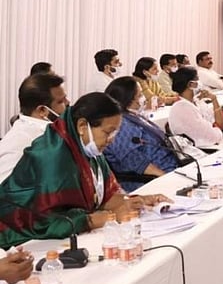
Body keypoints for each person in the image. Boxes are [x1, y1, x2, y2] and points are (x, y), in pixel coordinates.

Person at [0, 93, 170, 249]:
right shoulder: (52, 155)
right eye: (108, 132)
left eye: (115, 133)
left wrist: (135, 201)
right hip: (17, 236)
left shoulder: (88, 147)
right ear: (82, 126)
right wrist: (105, 218)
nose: (111, 140)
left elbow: (101, 197)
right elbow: (50, 220)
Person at [103, 77, 179, 191]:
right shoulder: (120, 125)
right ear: (128, 100)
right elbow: (134, 161)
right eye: (139, 95)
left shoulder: (133, 116)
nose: (143, 98)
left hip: (170, 167)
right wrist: (167, 178)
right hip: (150, 179)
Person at [0, 74, 69, 182]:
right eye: (61, 101)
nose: (67, 103)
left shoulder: (49, 133)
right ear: (42, 110)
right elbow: (5, 193)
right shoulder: (21, 144)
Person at [167, 67, 223, 149]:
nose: (200, 83)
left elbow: (220, 125)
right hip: (202, 150)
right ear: (190, 84)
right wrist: (217, 130)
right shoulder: (182, 107)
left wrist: (214, 99)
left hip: (212, 145)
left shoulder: (197, 102)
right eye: (197, 79)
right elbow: (210, 135)